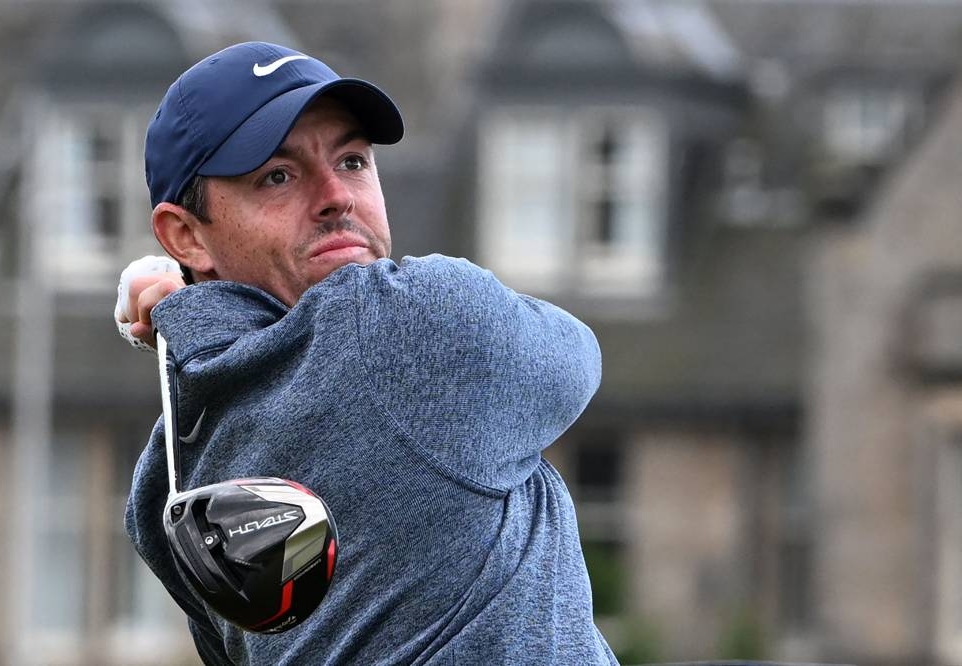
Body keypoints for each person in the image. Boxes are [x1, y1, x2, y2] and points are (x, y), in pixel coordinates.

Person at [117, 41, 617, 665]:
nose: (336, 195)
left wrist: (186, 305)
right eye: (277, 175)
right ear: (185, 234)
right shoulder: (418, 322)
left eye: (352, 160)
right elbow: (578, 354)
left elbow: (245, 365)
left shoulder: (164, 484)